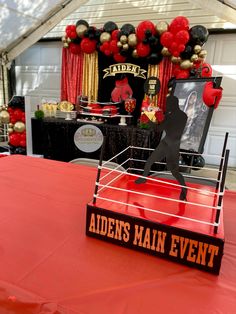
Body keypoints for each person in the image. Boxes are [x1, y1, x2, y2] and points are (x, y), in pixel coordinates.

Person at [135, 95, 188, 201]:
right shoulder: (183, 115)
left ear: (173, 104)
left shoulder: (173, 116)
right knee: (172, 170)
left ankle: (184, 189)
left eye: (168, 104)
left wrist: (148, 120)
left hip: (169, 144)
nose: (167, 106)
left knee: (157, 164)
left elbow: (159, 129)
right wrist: (161, 119)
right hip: (171, 143)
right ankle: (144, 178)